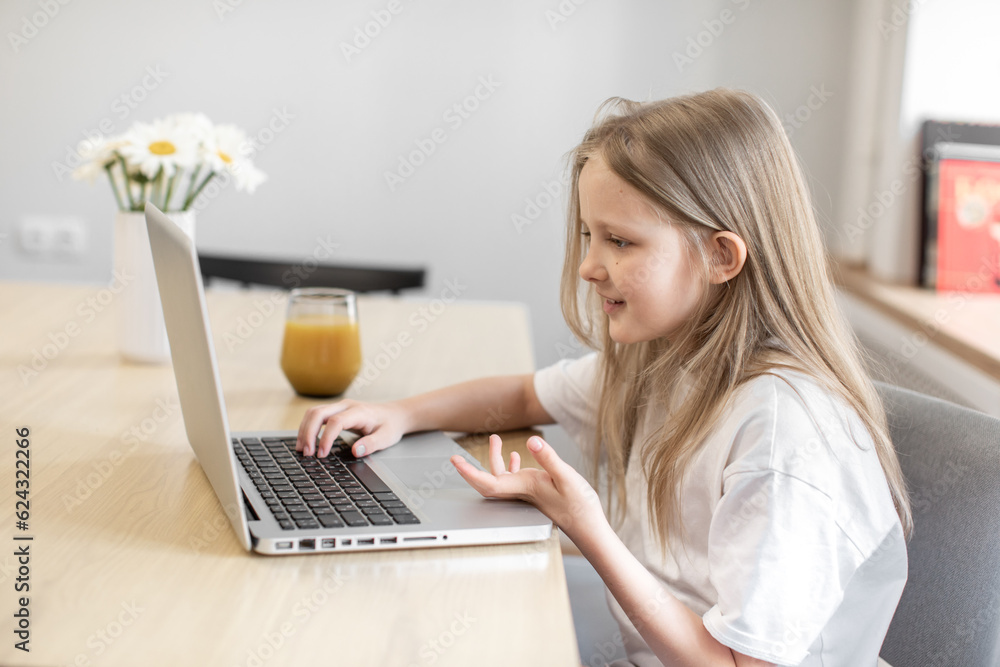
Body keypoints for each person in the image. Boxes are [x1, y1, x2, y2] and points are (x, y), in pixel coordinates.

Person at [296, 89, 911, 667]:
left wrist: (586, 524)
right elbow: (520, 395)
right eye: (591, 236)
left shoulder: (780, 432)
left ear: (722, 257)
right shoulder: (670, 357)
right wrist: (404, 414)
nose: (589, 266)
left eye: (619, 241)